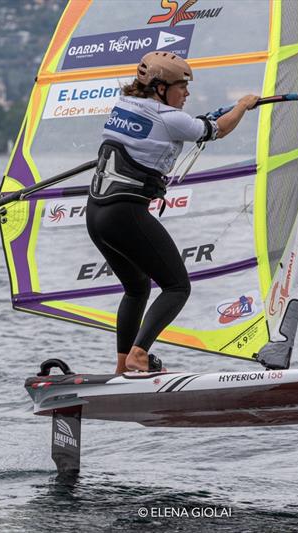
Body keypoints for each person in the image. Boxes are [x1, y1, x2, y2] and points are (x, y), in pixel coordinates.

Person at [86, 51, 258, 374]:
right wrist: (242, 106)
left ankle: (124, 364)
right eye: (183, 86)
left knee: (136, 287)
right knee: (178, 286)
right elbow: (216, 130)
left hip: (95, 215)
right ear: (160, 88)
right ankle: (139, 355)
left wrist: (195, 123)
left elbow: (169, 127)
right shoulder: (171, 119)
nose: (187, 93)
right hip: (125, 213)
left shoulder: (122, 106)